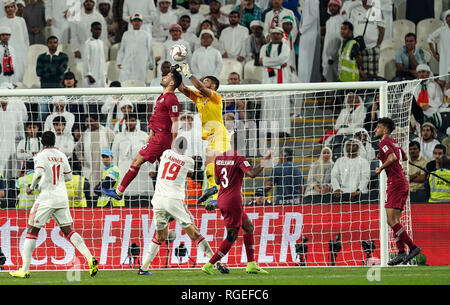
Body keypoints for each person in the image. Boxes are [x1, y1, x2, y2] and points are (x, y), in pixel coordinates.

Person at [9, 131, 98, 278]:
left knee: (32, 230)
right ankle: (90, 257)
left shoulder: (41, 155)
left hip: (46, 197)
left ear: (42, 143)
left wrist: (31, 187)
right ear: (54, 141)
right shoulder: (62, 155)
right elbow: (69, 176)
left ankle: (24, 269)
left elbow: (37, 174)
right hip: (61, 197)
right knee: (68, 230)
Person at [138, 137, 229, 275]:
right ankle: (216, 262)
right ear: (185, 149)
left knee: (160, 236)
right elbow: (191, 173)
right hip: (174, 200)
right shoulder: (189, 161)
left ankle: (143, 268)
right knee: (195, 233)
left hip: (158, 199)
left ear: (174, 145)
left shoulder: (166, 153)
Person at [102, 69, 182, 200]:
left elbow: (175, 123)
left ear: (172, 82)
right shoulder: (162, 98)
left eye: (167, 76)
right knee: (165, 170)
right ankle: (174, 199)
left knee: (137, 161)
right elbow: (156, 119)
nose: (163, 76)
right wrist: (150, 135)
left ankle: (119, 192)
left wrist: (173, 146)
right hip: (157, 137)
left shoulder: (172, 99)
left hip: (161, 139)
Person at [200, 136, 272, 275]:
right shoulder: (239, 158)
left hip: (222, 198)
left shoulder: (219, 158)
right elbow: (251, 174)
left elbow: (217, 180)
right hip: (233, 200)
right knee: (231, 236)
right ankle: (209, 265)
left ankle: (251, 264)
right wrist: (265, 161)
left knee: (248, 227)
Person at [176, 63, 231, 207]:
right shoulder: (199, 98)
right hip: (211, 137)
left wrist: (189, 74)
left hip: (220, 133)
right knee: (208, 164)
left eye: (205, 81)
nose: (202, 82)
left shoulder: (216, 97)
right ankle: (213, 189)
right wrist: (177, 74)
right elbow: (182, 88)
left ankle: (218, 194)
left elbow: (199, 86)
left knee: (216, 163)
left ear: (212, 86)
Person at [374, 117, 421, 265]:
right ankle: (401, 252)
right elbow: (404, 157)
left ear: (385, 130)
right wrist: (383, 156)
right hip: (401, 182)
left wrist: (381, 167)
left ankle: (412, 247)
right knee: (394, 221)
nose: (376, 129)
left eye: (379, 127)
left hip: (395, 183)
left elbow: (393, 157)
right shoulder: (394, 142)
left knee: (391, 220)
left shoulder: (384, 142)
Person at [111, 112, 155, 206]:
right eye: (128, 121)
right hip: (124, 168)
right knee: (126, 193)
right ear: (125, 122)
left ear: (136, 122)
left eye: (132, 120)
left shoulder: (143, 135)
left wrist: (152, 168)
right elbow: (114, 155)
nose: (130, 123)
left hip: (142, 168)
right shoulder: (119, 137)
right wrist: (115, 170)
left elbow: (151, 152)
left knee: (144, 195)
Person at [259, 27, 292, 137]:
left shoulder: (285, 47)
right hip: (268, 78)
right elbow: (261, 61)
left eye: (278, 34)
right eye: (273, 34)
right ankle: (268, 130)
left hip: (282, 78)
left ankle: (283, 129)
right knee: (268, 103)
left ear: (282, 36)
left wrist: (267, 62)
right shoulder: (264, 47)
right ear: (270, 36)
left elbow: (282, 59)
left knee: (282, 102)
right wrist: (277, 65)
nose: (276, 36)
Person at [75, 113, 115, 193]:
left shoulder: (107, 132)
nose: (88, 124)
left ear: (97, 121)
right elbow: (77, 148)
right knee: (91, 192)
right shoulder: (85, 134)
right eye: (86, 121)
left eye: (91, 121)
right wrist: (81, 158)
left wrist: (111, 159)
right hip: (90, 168)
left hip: (104, 166)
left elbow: (115, 146)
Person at [348, 0, 385, 79]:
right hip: (358, 48)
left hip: (373, 48)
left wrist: (378, 45)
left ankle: (372, 90)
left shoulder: (377, 11)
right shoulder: (354, 11)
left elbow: (381, 28)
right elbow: (350, 29)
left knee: (373, 74)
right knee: (358, 73)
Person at [117, 13, 154, 84]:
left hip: (141, 63)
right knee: (125, 82)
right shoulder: (126, 34)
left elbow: (150, 50)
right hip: (127, 62)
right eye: (135, 21)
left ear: (141, 22)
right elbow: (122, 49)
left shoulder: (146, 35)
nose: (136, 23)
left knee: (140, 82)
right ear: (131, 22)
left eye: (138, 21)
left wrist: (151, 63)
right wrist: (119, 61)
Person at [331, 138, 370, 202]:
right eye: (348, 145)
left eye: (353, 145)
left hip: (360, 194)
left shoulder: (364, 162)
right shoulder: (340, 161)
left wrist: (358, 190)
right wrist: (336, 188)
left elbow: (365, 178)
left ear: (358, 147)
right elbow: (334, 176)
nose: (350, 147)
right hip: (342, 193)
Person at [0, 1, 29, 82]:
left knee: (19, 73)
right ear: (5, 9)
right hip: (5, 51)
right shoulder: (1, 21)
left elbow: (26, 37)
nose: (9, 9)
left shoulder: (21, 20)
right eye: (7, 7)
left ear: (14, 8)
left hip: (20, 51)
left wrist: (26, 50)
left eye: (11, 7)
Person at [297, 0, 321, 83]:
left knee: (306, 63)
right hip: (306, 33)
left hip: (308, 34)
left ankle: (305, 86)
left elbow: (313, 16)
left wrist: (302, 29)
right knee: (303, 63)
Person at [322, 0, 344, 82]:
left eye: (335, 6)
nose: (332, 8)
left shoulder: (340, 20)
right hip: (327, 55)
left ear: (339, 7)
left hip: (334, 57)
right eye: (331, 6)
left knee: (335, 79)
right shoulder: (328, 21)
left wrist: (332, 56)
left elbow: (338, 40)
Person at [82, 22, 107, 88]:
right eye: (95, 29)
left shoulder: (101, 43)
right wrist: (89, 75)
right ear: (91, 30)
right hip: (92, 75)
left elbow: (102, 60)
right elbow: (86, 60)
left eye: (99, 29)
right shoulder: (88, 43)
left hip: (101, 75)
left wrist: (104, 74)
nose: (97, 31)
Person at [428, 10, 450, 82]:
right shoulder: (441, 30)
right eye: (448, 17)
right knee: (444, 83)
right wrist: (434, 54)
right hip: (444, 61)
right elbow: (430, 39)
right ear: (445, 19)